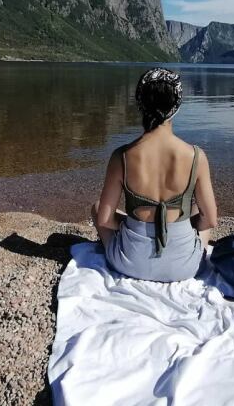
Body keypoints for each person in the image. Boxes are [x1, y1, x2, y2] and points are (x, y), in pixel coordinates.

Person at [90, 67, 218, 282]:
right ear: (176, 106)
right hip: (184, 268)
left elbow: (104, 220)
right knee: (201, 210)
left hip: (130, 263)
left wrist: (137, 225)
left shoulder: (121, 156)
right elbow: (211, 221)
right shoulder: (196, 156)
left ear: (140, 104)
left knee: (97, 208)